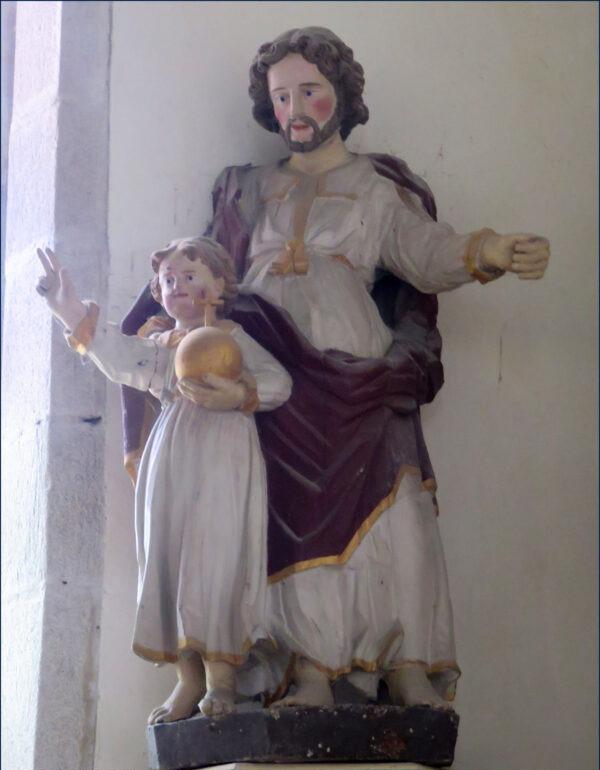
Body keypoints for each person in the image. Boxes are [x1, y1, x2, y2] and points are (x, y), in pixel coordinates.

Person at [120, 27, 550, 709]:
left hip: (358, 370)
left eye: (310, 91)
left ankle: (406, 661)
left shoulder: (377, 188)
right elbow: (197, 267)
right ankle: (307, 667)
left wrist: (489, 249)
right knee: (277, 511)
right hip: (265, 364)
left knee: (395, 502)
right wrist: (154, 330)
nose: (296, 107)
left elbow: (425, 252)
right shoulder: (247, 190)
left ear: (341, 97)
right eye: (282, 94)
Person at [35, 237, 292, 723]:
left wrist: (239, 393)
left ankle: (222, 680)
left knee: (216, 559)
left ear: (220, 284)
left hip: (225, 454)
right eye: (169, 280)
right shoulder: (161, 345)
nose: (178, 287)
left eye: (191, 276)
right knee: (167, 556)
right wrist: (67, 307)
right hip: (171, 454)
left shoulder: (235, 337)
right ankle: (187, 680)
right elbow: (114, 355)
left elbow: (280, 382)